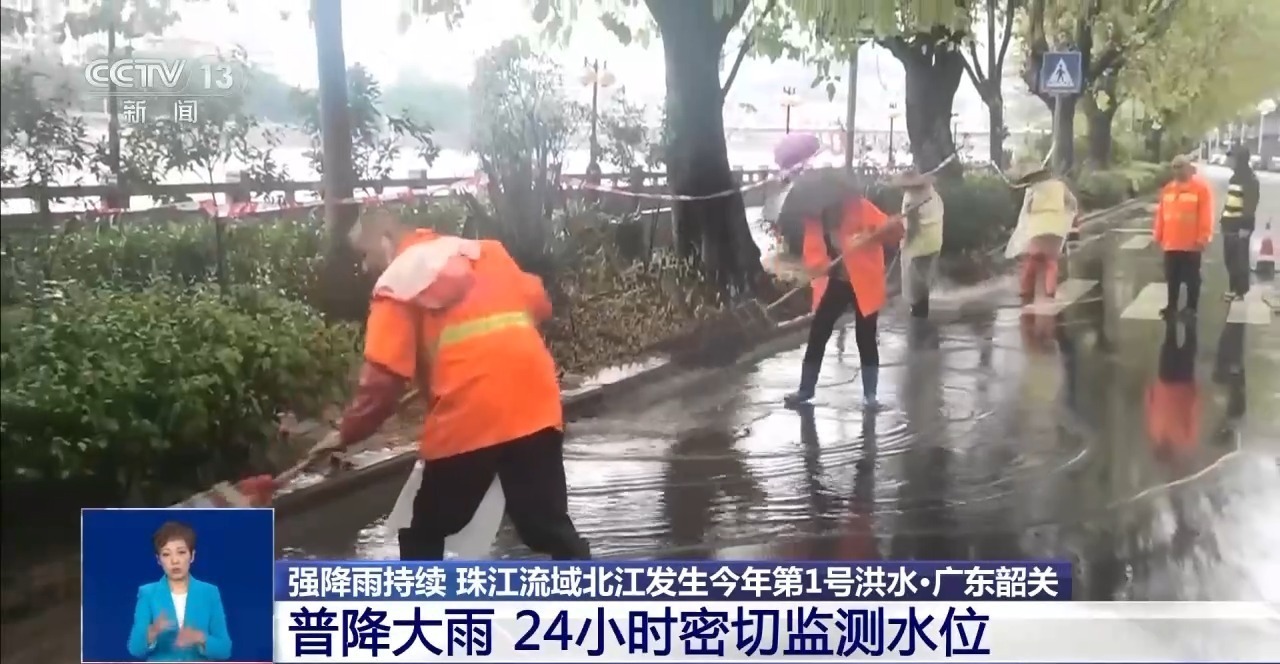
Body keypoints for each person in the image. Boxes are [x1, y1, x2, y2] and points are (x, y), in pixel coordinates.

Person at [309, 209, 590, 561]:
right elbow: (539, 303)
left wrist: (345, 433)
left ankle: (423, 597)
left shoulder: (398, 282)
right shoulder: (485, 252)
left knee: (424, 530)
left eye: (365, 254)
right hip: (535, 403)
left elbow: (381, 385)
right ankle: (590, 588)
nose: (365, 267)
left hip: (469, 414)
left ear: (385, 238)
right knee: (546, 525)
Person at [782, 190, 904, 409]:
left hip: (865, 280)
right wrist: (822, 267)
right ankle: (805, 389)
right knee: (818, 331)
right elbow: (814, 255)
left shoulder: (860, 207)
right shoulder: (815, 220)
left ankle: (870, 395)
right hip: (838, 282)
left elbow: (893, 232)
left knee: (865, 336)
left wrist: (875, 233)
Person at [127, 521, 231, 661]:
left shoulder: (209, 593)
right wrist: (153, 631)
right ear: (158, 560)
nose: (174, 561)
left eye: (181, 552)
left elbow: (224, 650)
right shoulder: (147, 594)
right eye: (166, 554)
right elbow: (135, 649)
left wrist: (199, 637)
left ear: (192, 556)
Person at [1005, 163, 1079, 303]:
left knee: (1033, 259)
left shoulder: (1033, 190)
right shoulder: (1060, 186)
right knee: (1051, 260)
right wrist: (1067, 215)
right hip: (1056, 226)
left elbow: (1027, 210)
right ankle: (1050, 290)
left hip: (1037, 227)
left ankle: (1025, 289)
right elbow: (1072, 203)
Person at [1153, 155, 1214, 319]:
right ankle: (1171, 306)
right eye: (1174, 167)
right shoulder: (1168, 189)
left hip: (1191, 243)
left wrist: (1203, 237)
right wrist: (1158, 235)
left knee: (1192, 277)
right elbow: (1161, 214)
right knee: (1171, 277)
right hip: (1171, 242)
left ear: (1188, 168)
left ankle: (1191, 307)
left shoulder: (1200, 189)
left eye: (1180, 166)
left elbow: (1206, 215)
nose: (1177, 170)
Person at [1145, 319, 1200, 464]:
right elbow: (1194, 417)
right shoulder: (1186, 440)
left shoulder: (1155, 433)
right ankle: (1190, 323)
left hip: (1166, 383)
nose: (1160, 446)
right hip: (1183, 386)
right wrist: (1195, 396)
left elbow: (1150, 410)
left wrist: (1150, 390)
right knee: (1188, 350)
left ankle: (1172, 322)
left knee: (1169, 348)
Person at [893, 169, 945, 318]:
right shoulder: (932, 193)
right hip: (934, 243)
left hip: (918, 248)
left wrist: (904, 243)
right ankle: (923, 313)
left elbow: (913, 228)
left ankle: (918, 318)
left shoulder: (911, 200)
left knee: (914, 287)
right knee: (924, 282)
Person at [1220, 146, 1260, 301]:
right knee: (1230, 259)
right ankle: (1233, 288)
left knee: (1240, 260)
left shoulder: (1250, 180)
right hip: (1229, 224)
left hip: (1240, 226)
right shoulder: (1234, 178)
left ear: (1240, 160)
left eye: (1232, 158)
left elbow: (1250, 205)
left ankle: (1240, 291)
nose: (1228, 161)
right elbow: (1230, 201)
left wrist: (1245, 226)